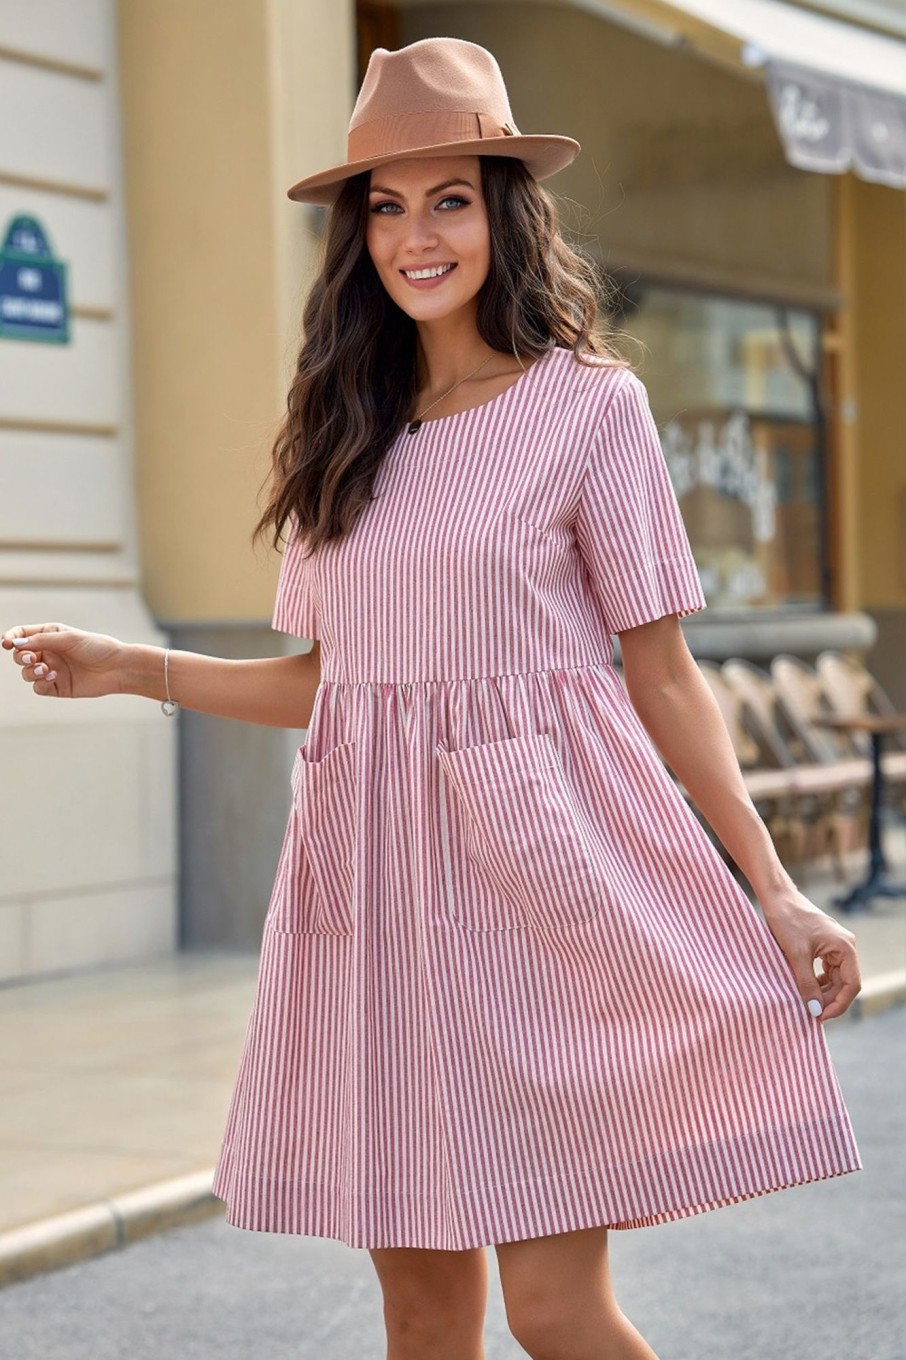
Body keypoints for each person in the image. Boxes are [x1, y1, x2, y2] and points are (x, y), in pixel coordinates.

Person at [2, 36, 862, 1360]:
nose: (417, 234)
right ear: (356, 233)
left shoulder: (591, 410)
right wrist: (134, 668)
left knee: (555, 1310)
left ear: (503, 212)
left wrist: (772, 886)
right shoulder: (345, 425)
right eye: (386, 204)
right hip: (373, 899)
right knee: (419, 1310)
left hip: (541, 892)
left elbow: (662, 672)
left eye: (448, 197)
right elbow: (331, 687)